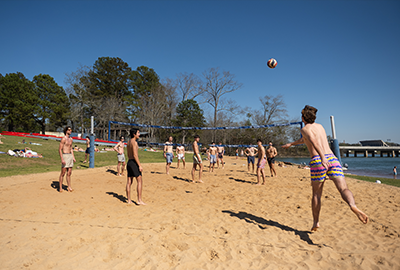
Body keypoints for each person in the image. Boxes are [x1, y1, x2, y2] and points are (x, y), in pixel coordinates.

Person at [282, 105, 368, 231]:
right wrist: (291, 143)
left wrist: (322, 157)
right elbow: (305, 140)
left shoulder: (305, 128)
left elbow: (313, 141)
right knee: (343, 188)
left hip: (319, 160)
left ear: (302, 117)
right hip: (333, 159)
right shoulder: (320, 127)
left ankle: (316, 222)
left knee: (316, 194)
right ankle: (353, 205)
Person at [126, 128, 145, 205]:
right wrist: (139, 165)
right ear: (134, 134)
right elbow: (135, 155)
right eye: (138, 133)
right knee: (139, 180)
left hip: (129, 162)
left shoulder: (128, 142)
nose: (139, 134)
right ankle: (139, 200)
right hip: (134, 162)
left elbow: (128, 154)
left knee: (129, 182)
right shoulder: (134, 142)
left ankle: (129, 200)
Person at [59, 126, 76, 192]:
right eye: (69, 130)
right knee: (63, 173)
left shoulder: (71, 139)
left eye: (71, 130)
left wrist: (73, 157)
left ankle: (69, 187)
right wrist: (62, 159)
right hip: (65, 155)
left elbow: (71, 148)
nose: (70, 131)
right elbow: (60, 149)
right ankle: (60, 188)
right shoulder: (63, 139)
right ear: (66, 131)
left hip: (70, 156)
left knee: (69, 173)